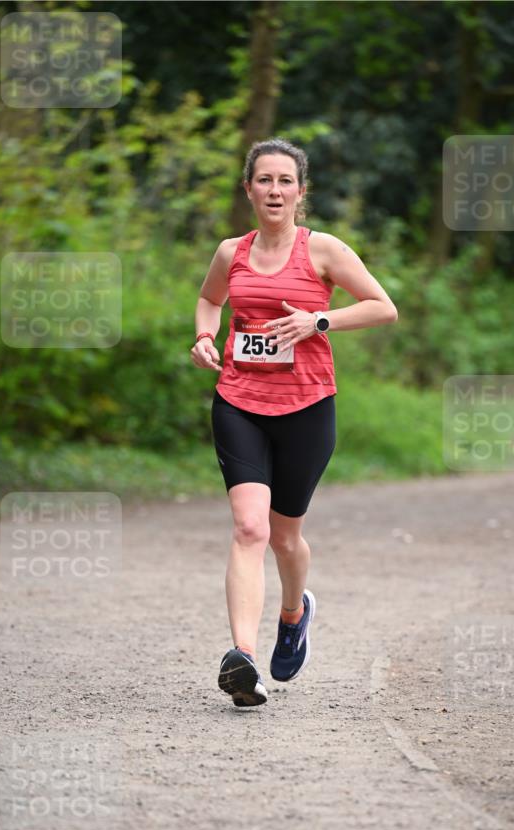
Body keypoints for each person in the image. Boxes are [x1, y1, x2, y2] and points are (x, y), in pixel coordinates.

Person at [190, 137, 398, 708]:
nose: (274, 190)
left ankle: (294, 612)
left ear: (300, 192)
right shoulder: (231, 252)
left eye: (285, 181)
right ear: (249, 188)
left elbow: (383, 306)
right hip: (238, 401)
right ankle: (242, 660)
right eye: (264, 180)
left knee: (285, 536)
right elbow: (210, 301)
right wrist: (206, 336)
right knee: (249, 529)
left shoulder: (323, 250)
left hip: (307, 407)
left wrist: (319, 321)